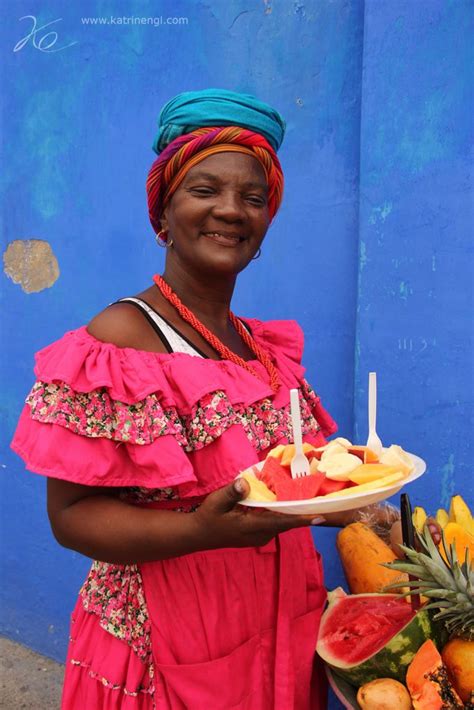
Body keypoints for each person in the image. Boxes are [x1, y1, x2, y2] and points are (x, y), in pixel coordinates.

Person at [12, 89, 392, 709]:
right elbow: (72, 517)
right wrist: (202, 532)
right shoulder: (123, 341)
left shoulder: (260, 347)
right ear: (163, 211)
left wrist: (349, 505)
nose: (232, 210)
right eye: (204, 189)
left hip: (280, 629)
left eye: (253, 197)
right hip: (168, 642)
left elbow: (280, 485)